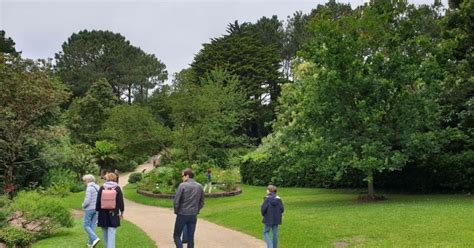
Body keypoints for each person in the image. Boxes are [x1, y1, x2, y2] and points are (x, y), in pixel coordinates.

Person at [173, 168, 205, 248]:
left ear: (187, 176)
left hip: (182, 214)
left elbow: (176, 201)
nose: (182, 178)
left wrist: (177, 211)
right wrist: (196, 210)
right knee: (191, 238)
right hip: (193, 215)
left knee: (176, 236)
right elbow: (202, 202)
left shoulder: (182, 185)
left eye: (182, 176)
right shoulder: (200, 186)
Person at [96, 172, 125, 248]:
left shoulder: (102, 187)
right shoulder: (117, 188)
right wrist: (121, 212)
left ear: (107, 178)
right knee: (112, 233)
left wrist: (97, 212)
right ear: (115, 179)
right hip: (113, 213)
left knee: (104, 232)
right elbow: (120, 202)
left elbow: (98, 201)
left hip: (103, 213)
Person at [82, 174, 100, 248]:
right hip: (97, 209)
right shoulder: (97, 186)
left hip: (89, 209)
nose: (84, 182)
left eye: (84, 180)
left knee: (86, 225)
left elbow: (87, 200)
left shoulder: (89, 188)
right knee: (92, 226)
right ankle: (90, 244)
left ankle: (95, 238)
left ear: (88, 180)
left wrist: (83, 205)